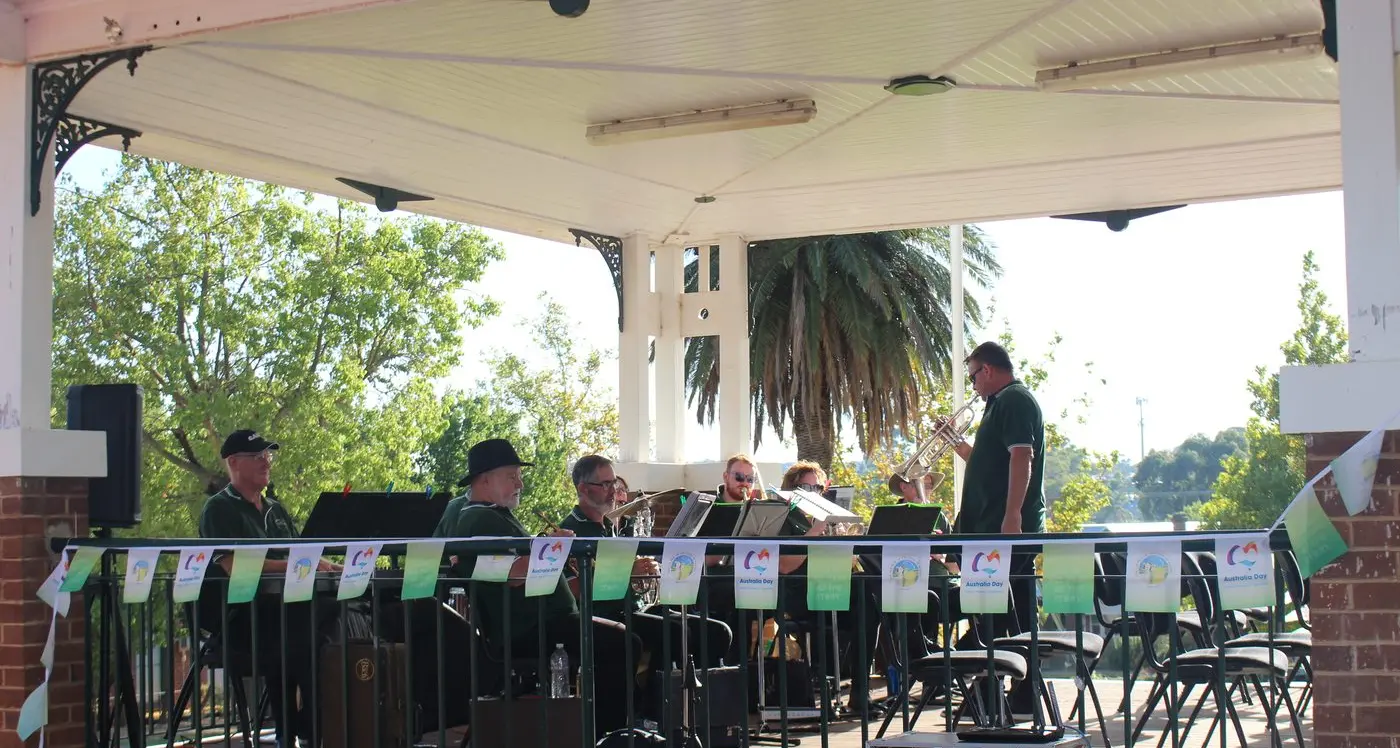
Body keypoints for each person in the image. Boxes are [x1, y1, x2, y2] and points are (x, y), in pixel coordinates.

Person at [446, 439, 641, 735]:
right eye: (512, 476)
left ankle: (608, 729)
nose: (520, 484)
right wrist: (554, 548)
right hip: (529, 628)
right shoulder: (478, 518)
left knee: (622, 638)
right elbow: (512, 573)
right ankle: (607, 733)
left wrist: (550, 549)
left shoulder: (491, 515)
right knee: (621, 643)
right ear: (484, 479)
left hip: (544, 621)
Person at [198, 429, 340, 746]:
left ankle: (309, 727)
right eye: (258, 456)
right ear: (233, 462)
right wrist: (300, 565)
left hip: (288, 611)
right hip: (240, 619)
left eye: (268, 455)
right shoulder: (219, 509)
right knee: (303, 632)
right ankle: (305, 731)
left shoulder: (277, 510)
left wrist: (334, 567)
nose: (267, 462)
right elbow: (234, 566)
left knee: (334, 616)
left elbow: (302, 558)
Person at [560, 455, 733, 675]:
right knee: (674, 632)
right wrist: (628, 572)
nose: (614, 490)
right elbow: (573, 589)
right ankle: (657, 702)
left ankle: (695, 698)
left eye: (615, 483)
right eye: (605, 484)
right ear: (583, 489)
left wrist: (645, 574)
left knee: (717, 632)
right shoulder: (570, 530)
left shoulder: (612, 526)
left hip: (634, 607)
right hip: (605, 614)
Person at [947, 341, 1047, 717]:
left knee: (1010, 612)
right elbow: (989, 462)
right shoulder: (999, 405)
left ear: (987, 370)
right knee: (995, 611)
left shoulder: (1015, 400)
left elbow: (1023, 456)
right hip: (986, 529)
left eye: (973, 376)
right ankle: (1000, 692)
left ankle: (1012, 691)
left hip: (1001, 531)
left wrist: (1012, 515)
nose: (972, 385)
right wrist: (957, 443)